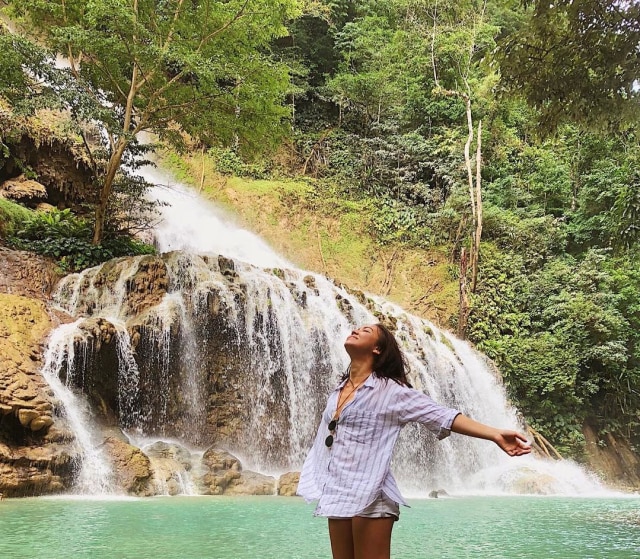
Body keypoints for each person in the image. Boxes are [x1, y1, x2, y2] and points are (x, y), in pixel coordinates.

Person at [297, 323, 531, 559]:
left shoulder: (392, 392)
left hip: (371, 494)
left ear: (377, 349)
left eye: (366, 331)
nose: (356, 330)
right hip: (337, 491)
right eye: (357, 328)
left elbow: (442, 415)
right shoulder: (338, 391)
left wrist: (494, 434)